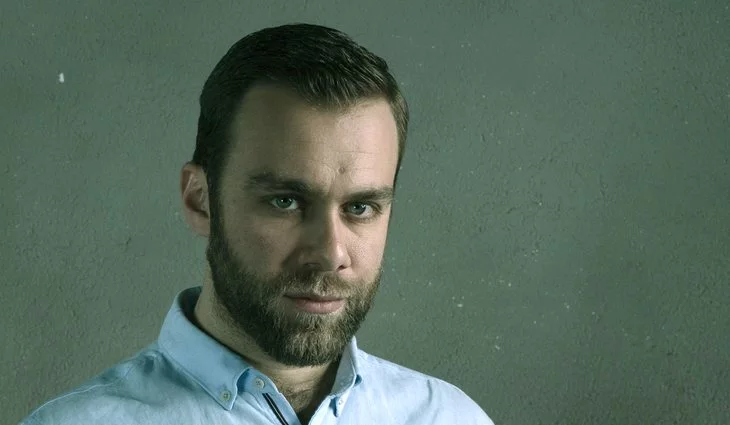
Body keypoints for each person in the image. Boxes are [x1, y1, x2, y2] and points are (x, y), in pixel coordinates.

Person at [19, 23, 494, 425]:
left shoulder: (450, 417)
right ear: (200, 201)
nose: (330, 253)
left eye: (360, 208)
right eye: (286, 202)